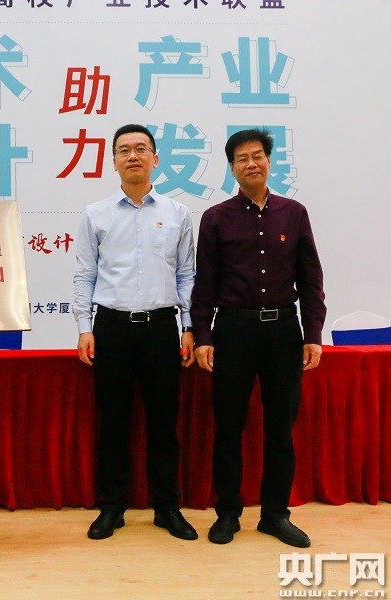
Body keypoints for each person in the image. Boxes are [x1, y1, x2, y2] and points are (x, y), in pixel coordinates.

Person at [191, 128, 326, 548]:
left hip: (283, 332)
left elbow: (310, 279)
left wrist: (313, 333)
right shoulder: (216, 217)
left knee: (280, 428)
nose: (251, 163)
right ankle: (228, 513)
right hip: (233, 331)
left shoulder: (294, 213)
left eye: (257, 156)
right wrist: (203, 336)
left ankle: (275, 514)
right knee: (228, 427)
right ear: (231, 168)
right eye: (241, 158)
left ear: (269, 161)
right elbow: (204, 283)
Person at [73, 124, 197, 541]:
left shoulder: (177, 213)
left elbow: (186, 275)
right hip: (112, 328)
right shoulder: (96, 214)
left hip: (161, 328)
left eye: (141, 149)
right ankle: (112, 508)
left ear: (155, 159)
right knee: (113, 424)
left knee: (164, 424)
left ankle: (167, 508)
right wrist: (84, 327)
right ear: (113, 161)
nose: (133, 156)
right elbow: (85, 274)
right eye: (124, 150)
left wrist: (189, 326)